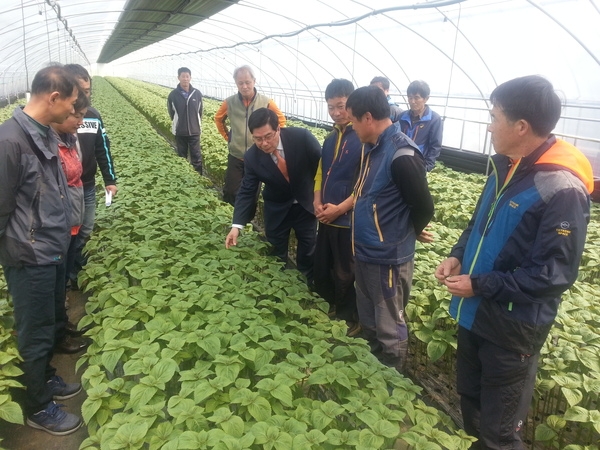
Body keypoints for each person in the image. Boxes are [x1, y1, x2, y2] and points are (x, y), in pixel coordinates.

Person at [434, 75, 593, 450]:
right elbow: (479, 224)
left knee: (501, 433)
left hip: (512, 329)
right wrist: (458, 255)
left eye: (494, 116)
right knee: (471, 403)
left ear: (520, 126)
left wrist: (481, 284)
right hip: (475, 314)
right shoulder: (505, 165)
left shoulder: (562, 188)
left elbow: (553, 275)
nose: (489, 125)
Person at [0, 65, 83, 435]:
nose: (73, 111)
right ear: (53, 98)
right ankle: (36, 407)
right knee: (33, 334)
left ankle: (46, 378)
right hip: (29, 255)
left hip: (51, 248)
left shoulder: (43, 132)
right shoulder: (10, 141)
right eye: (71, 102)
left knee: (48, 323)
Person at [346, 85, 434, 373]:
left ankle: (391, 373)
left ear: (367, 117)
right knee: (369, 314)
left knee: (389, 322)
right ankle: (370, 366)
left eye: (353, 120)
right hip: (367, 251)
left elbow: (423, 206)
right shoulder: (374, 148)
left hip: (388, 257)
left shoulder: (402, 154)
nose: (353, 128)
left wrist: (408, 230)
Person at [225, 108, 321, 284]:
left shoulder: (302, 138)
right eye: (258, 139)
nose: (264, 143)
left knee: (309, 247)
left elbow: (322, 167)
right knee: (275, 251)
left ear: (278, 129)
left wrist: (320, 197)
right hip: (277, 208)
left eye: (268, 136)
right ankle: (278, 286)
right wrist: (236, 225)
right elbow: (247, 191)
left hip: (306, 205)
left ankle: (307, 287)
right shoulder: (252, 157)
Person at [313, 79, 362, 335]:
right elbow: (321, 172)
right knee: (326, 267)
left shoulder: (363, 138)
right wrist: (317, 201)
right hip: (326, 217)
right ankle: (333, 307)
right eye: (331, 107)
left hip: (348, 220)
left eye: (341, 106)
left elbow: (365, 183)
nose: (336, 112)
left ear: (351, 103)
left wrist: (340, 208)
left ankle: (351, 319)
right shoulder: (330, 138)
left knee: (347, 272)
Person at [63, 64, 117, 287]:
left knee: (85, 228)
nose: (86, 95)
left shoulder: (93, 116)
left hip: (87, 185)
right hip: (65, 189)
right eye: (81, 90)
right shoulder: (59, 118)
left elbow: (102, 149)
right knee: (69, 233)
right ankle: (68, 274)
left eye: (88, 90)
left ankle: (75, 268)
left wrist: (110, 180)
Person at [49, 90, 91, 355]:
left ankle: (61, 327)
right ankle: (55, 339)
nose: (79, 122)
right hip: (51, 230)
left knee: (60, 280)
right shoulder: (43, 142)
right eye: (77, 115)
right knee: (52, 287)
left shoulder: (68, 138)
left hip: (69, 220)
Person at [215, 65, 286, 206]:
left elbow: (281, 121)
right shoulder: (229, 103)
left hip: (258, 156)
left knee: (251, 193)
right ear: (236, 83)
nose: (244, 86)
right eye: (240, 83)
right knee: (230, 190)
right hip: (236, 155)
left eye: (247, 82)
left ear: (254, 81)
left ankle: (246, 221)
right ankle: (230, 218)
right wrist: (228, 137)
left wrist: (273, 142)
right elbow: (218, 119)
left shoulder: (266, 102)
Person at [398, 80, 443, 172]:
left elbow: (435, 146)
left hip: (418, 165)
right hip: (400, 162)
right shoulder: (402, 117)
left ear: (426, 98)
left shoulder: (434, 119)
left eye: (416, 98)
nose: (412, 101)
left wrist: (427, 166)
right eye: (410, 98)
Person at [167, 66, 204, 174]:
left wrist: (195, 123)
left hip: (194, 131)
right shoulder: (173, 95)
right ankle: (183, 178)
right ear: (178, 78)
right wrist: (178, 123)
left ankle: (198, 179)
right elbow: (171, 112)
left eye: (187, 76)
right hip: (180, 131)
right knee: (181, 157)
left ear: (190, 78)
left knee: (196, 157)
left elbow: (200, 111)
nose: (185, 79)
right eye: (183, 76)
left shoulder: (197, 94)